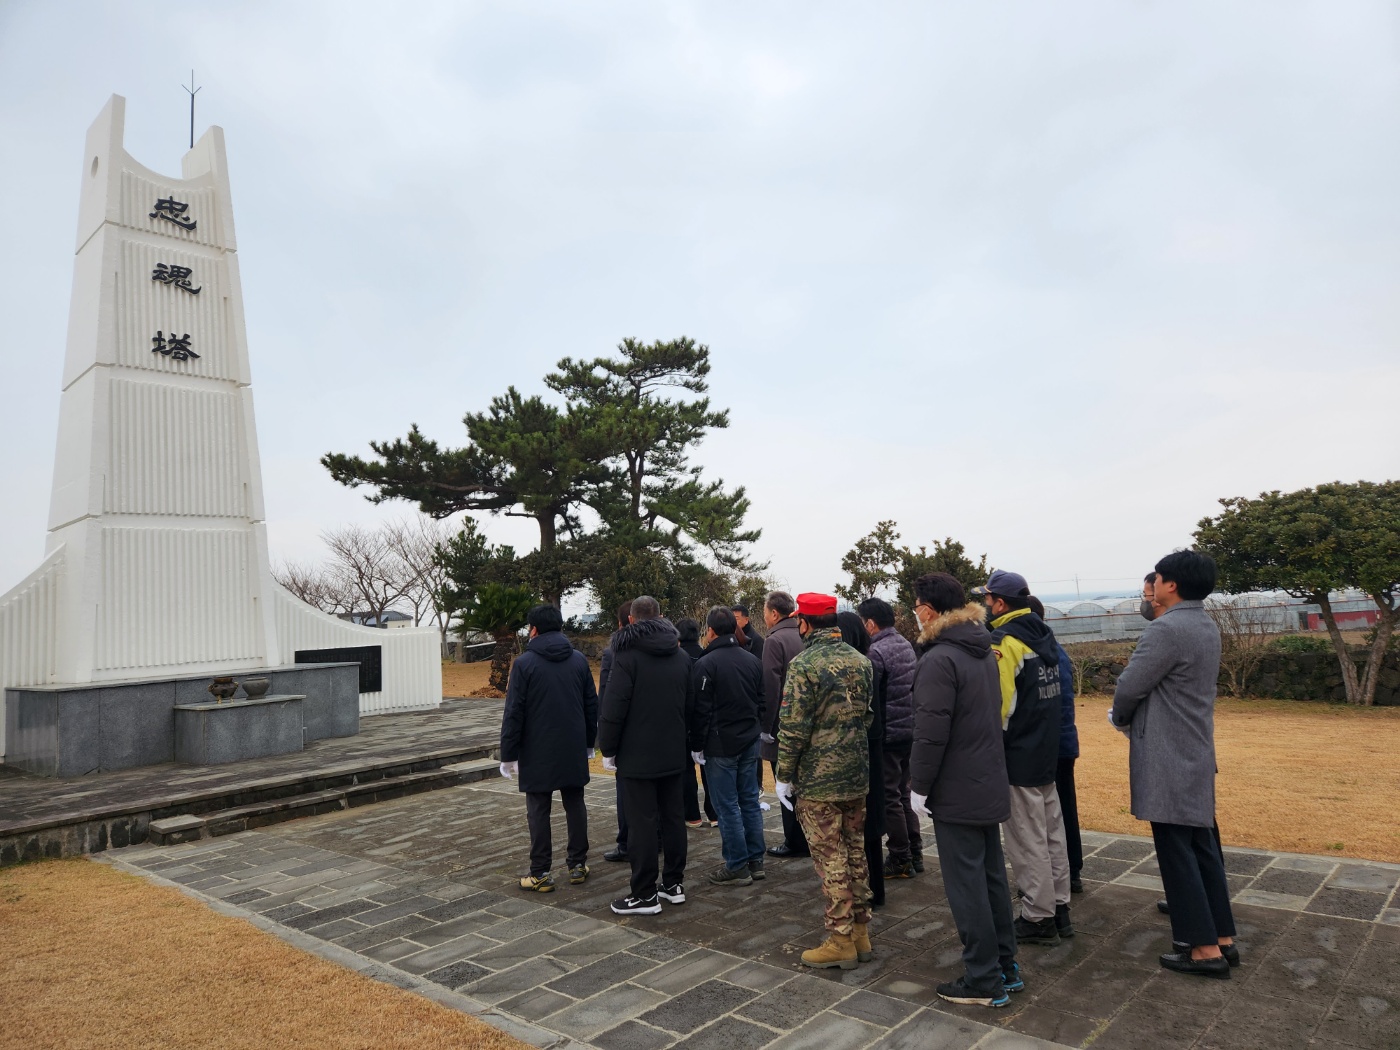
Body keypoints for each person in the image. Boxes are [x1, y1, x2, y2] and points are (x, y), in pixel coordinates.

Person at [1111, 551, 1238, 979]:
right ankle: (1221, 938)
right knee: (1201, 845)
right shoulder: (1205, 624)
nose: (1154, 585)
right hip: (1195, 748)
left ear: (1171, 585)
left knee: (1176, 850)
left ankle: (1202, 950)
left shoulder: (1166, 630)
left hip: (1167, 752)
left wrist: (1121, 717)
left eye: (1158, 578)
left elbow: (1130, 686)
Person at [907, 573, 1018, 1008]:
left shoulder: (939, 660)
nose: (915, 613)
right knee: (990, 877)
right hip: (985, 779)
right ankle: (1005, 965)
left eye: (917, 606)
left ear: (930, 610)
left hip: (957, 786)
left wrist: (920, 786)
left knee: (966, 884)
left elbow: (930, 733)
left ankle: (983, 977)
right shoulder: (980, 651)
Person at [776, 592, 874, 970]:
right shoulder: (861, 661)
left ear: (804, 623)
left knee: (831, 858)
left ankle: (840, 939)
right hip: (855, 773)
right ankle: (861, 932)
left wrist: (785, 774)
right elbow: (866, 717)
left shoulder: (804, 665)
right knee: (855, 852)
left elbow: (794, 727)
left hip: (819, 781)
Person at [982, 570, 1073, 947]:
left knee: (1026, 838)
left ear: (1000, 603)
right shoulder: (1043, 636)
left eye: (987, 599)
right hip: (1045, 749)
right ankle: (1060, 906)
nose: (985, 605)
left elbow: (999, 707)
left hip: (1018, 753)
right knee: (1053, 832)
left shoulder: (1004, 642)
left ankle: (1037, 916)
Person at [598, 595, 695, 916]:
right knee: (672, 818)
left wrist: (607, 748)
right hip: (673, 751)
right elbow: (690, 706)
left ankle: (644, 894)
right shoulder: (681, 657)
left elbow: (613, 708)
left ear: (630, 621)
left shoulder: (625, 656)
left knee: (641, 823)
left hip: (637, 755)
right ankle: (673, 884)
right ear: (661, 617)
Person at [499, 604, 599, 893]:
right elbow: (590, 704)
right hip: (571, 744)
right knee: (575, 803)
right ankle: (578, 864)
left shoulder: (524, 663)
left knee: (539, 809)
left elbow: (514, 711)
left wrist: (509, 754)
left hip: (537, 746)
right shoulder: (578, 660)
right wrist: (589, 743)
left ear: (534, 629)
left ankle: (540, 871)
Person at [691, 606, 767, 886]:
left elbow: (701, 710)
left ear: (710, 631)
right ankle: (755, 860)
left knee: (727, 805)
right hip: (749, 739)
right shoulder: (751, 660)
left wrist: (697, 744)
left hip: (720, 743)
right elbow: (762, 700)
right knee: (748, 800)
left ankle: (737, 864)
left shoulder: (706, 663)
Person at [858, 597, 921, 879]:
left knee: (889, 797)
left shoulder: (876, 652)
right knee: (904, 793)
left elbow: (871, 697)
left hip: (888, 734)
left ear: (870, 623)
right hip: (909, 729)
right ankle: (915, 852)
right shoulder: (905, 644)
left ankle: (899, 856)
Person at [1028, 596, 1083, 895]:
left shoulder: (1039, 650)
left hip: (1051, 745)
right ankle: (1071, 871)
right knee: (1063, 809)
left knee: (1051, 814)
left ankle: (1066, 872)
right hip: (1063, 742)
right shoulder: (1053, 647)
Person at [838, 611, 885, 910]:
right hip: (876, 747)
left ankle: (861, 891)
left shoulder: (852, 669)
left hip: (858, 750)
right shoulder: (871, 663)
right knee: (871, 830)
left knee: (856, 831)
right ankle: (876, 889)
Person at [761, 591, 810, 859]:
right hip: (806, 723)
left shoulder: (774, 640)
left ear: (775, 614)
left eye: (765, 611)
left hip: (782, 725)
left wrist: (766, 726)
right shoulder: (804, 634)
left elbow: (770, 686)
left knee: (785, 783)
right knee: (802, 783)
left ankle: (794, 840)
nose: (764, 616)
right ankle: (807, 836)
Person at [676, 617, 719, 829]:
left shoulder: (676, 658)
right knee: (707, 767)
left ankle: (692, 815)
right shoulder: (707, 656)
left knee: (686, 770)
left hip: (684, 721)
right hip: (706, 721)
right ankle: (714, 814)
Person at [600, 601, 633, 864]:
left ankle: (626, 843)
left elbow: (607, 700)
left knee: (626, 792)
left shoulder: (614, 653)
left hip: (627, 735)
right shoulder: (671, 650)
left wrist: (606, 744)